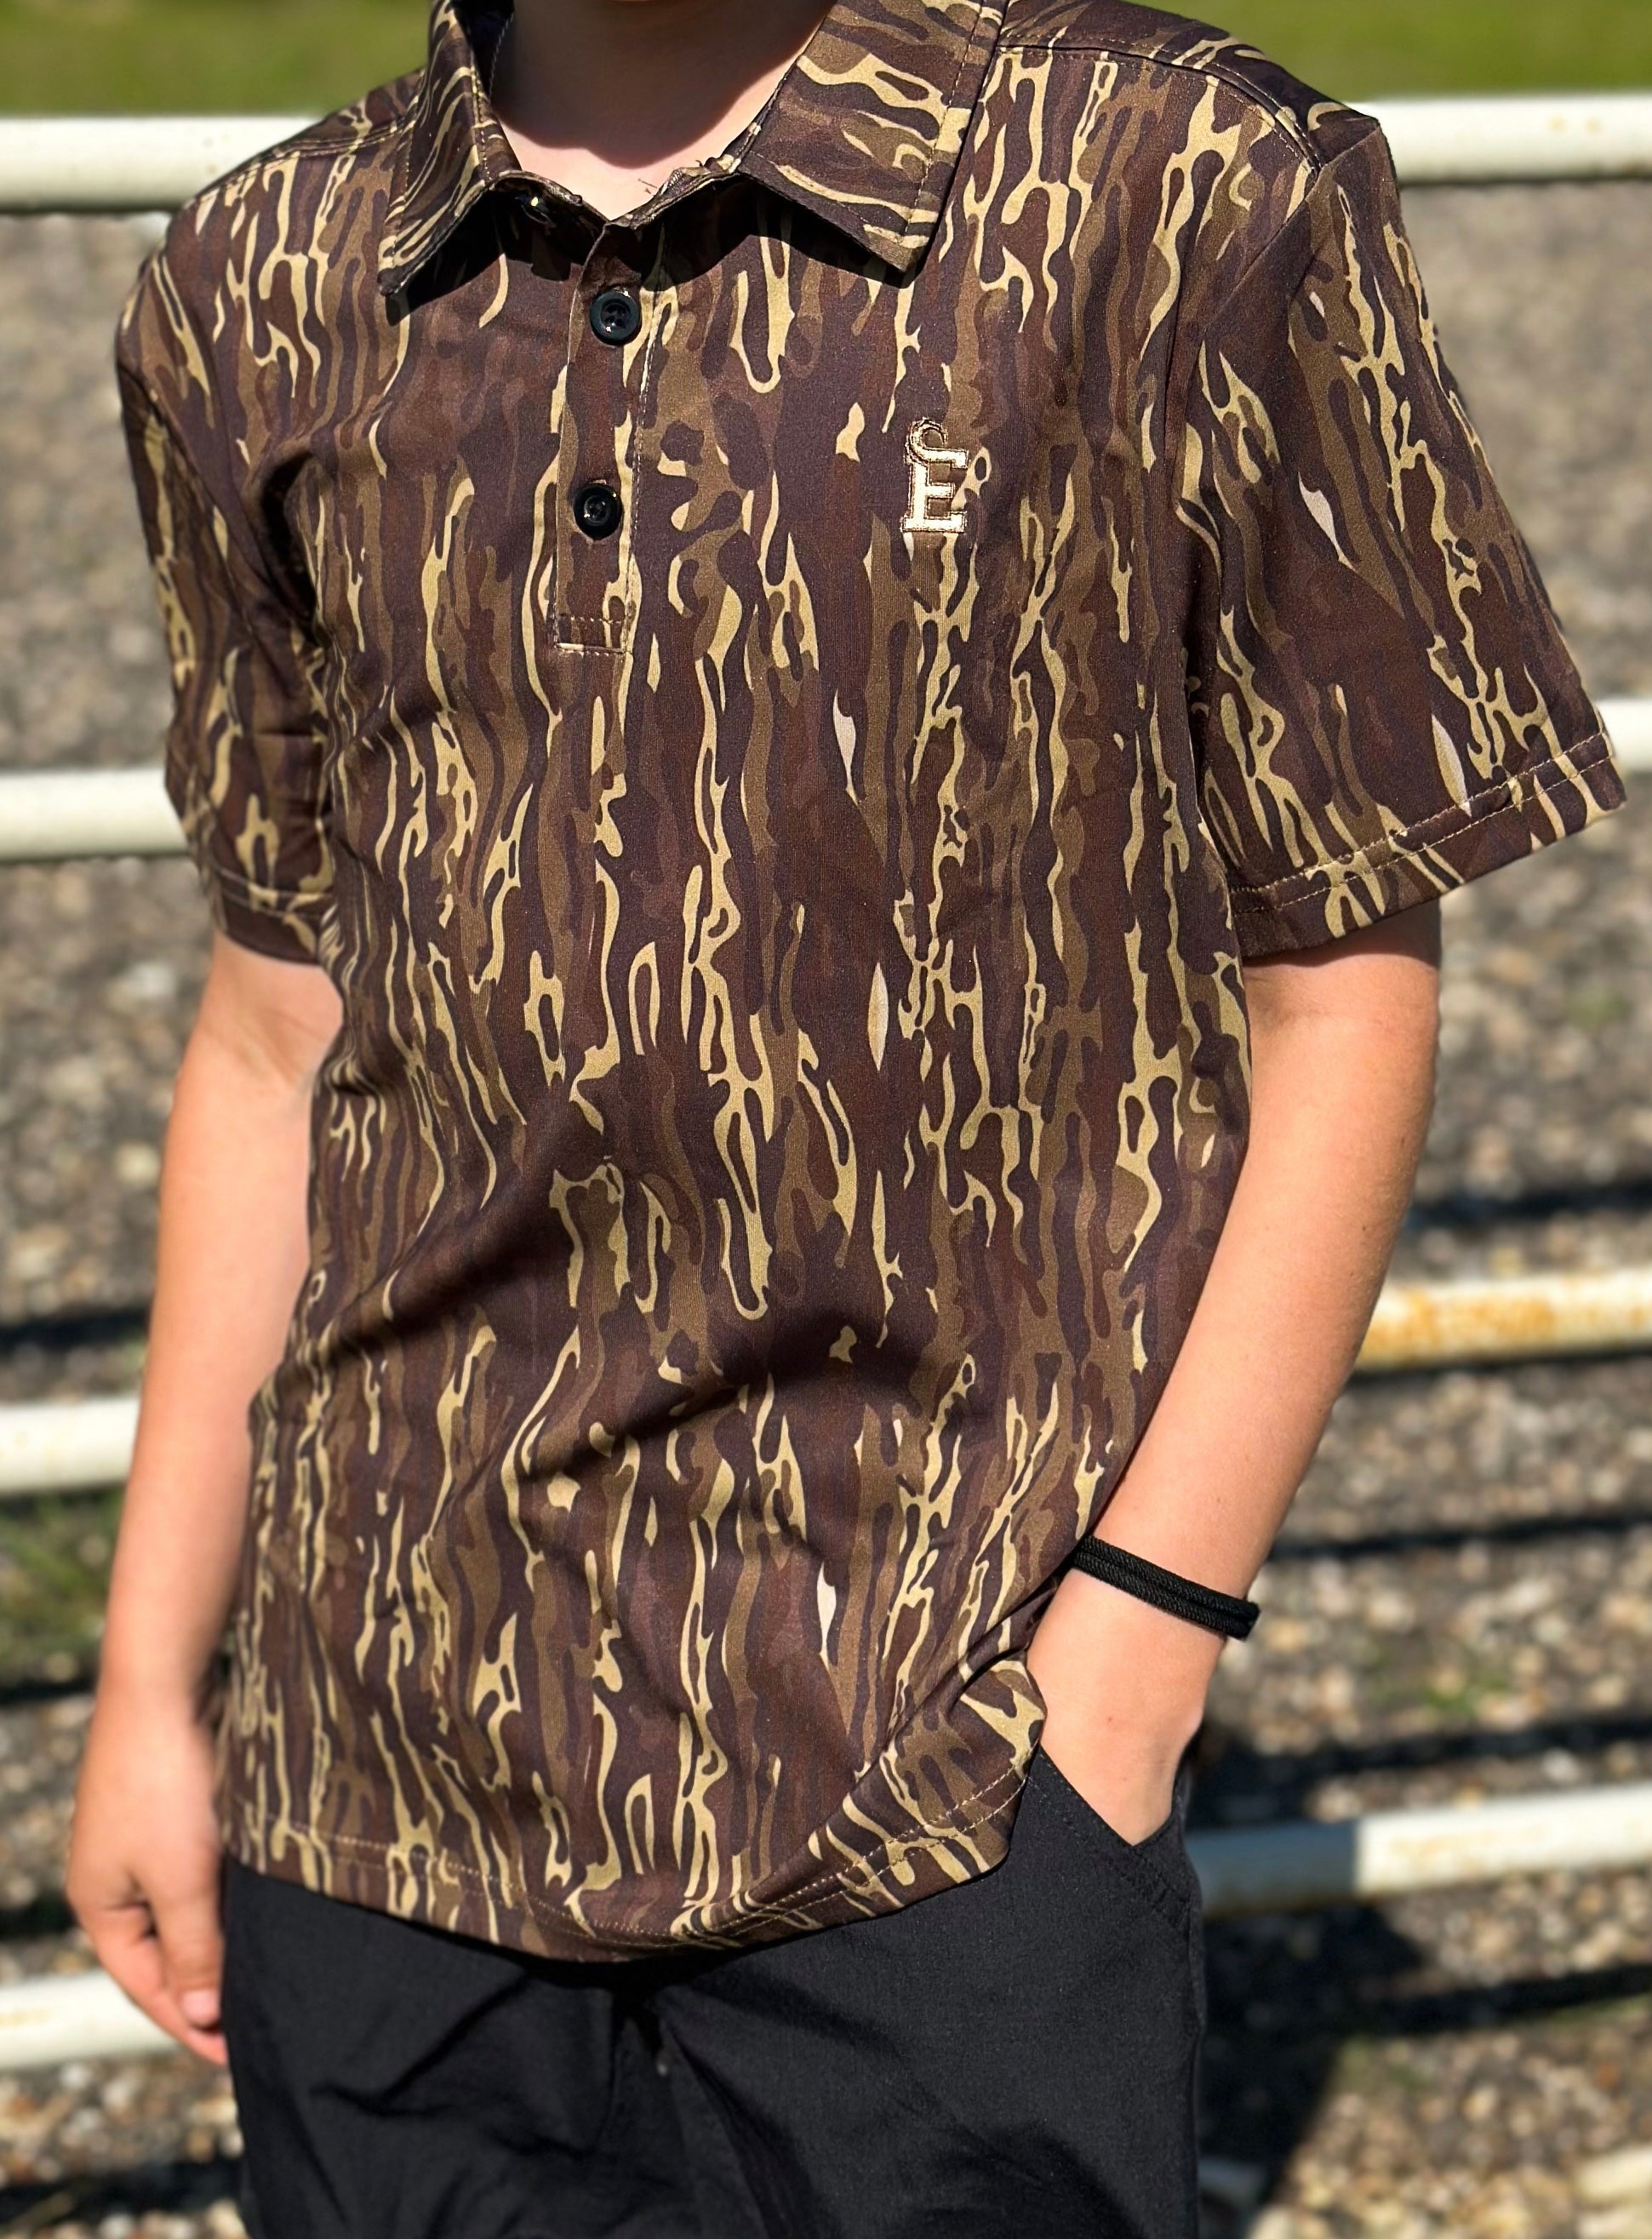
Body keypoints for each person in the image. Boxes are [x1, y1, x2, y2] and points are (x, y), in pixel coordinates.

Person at [67, 0, 1622, 2231]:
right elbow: (271, 1024)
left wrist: (1128, 1662)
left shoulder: (1177, 183)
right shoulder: (263, 277)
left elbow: (1345, 976)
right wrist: (152, 1682)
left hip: (941, 1767)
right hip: (379, 1766)